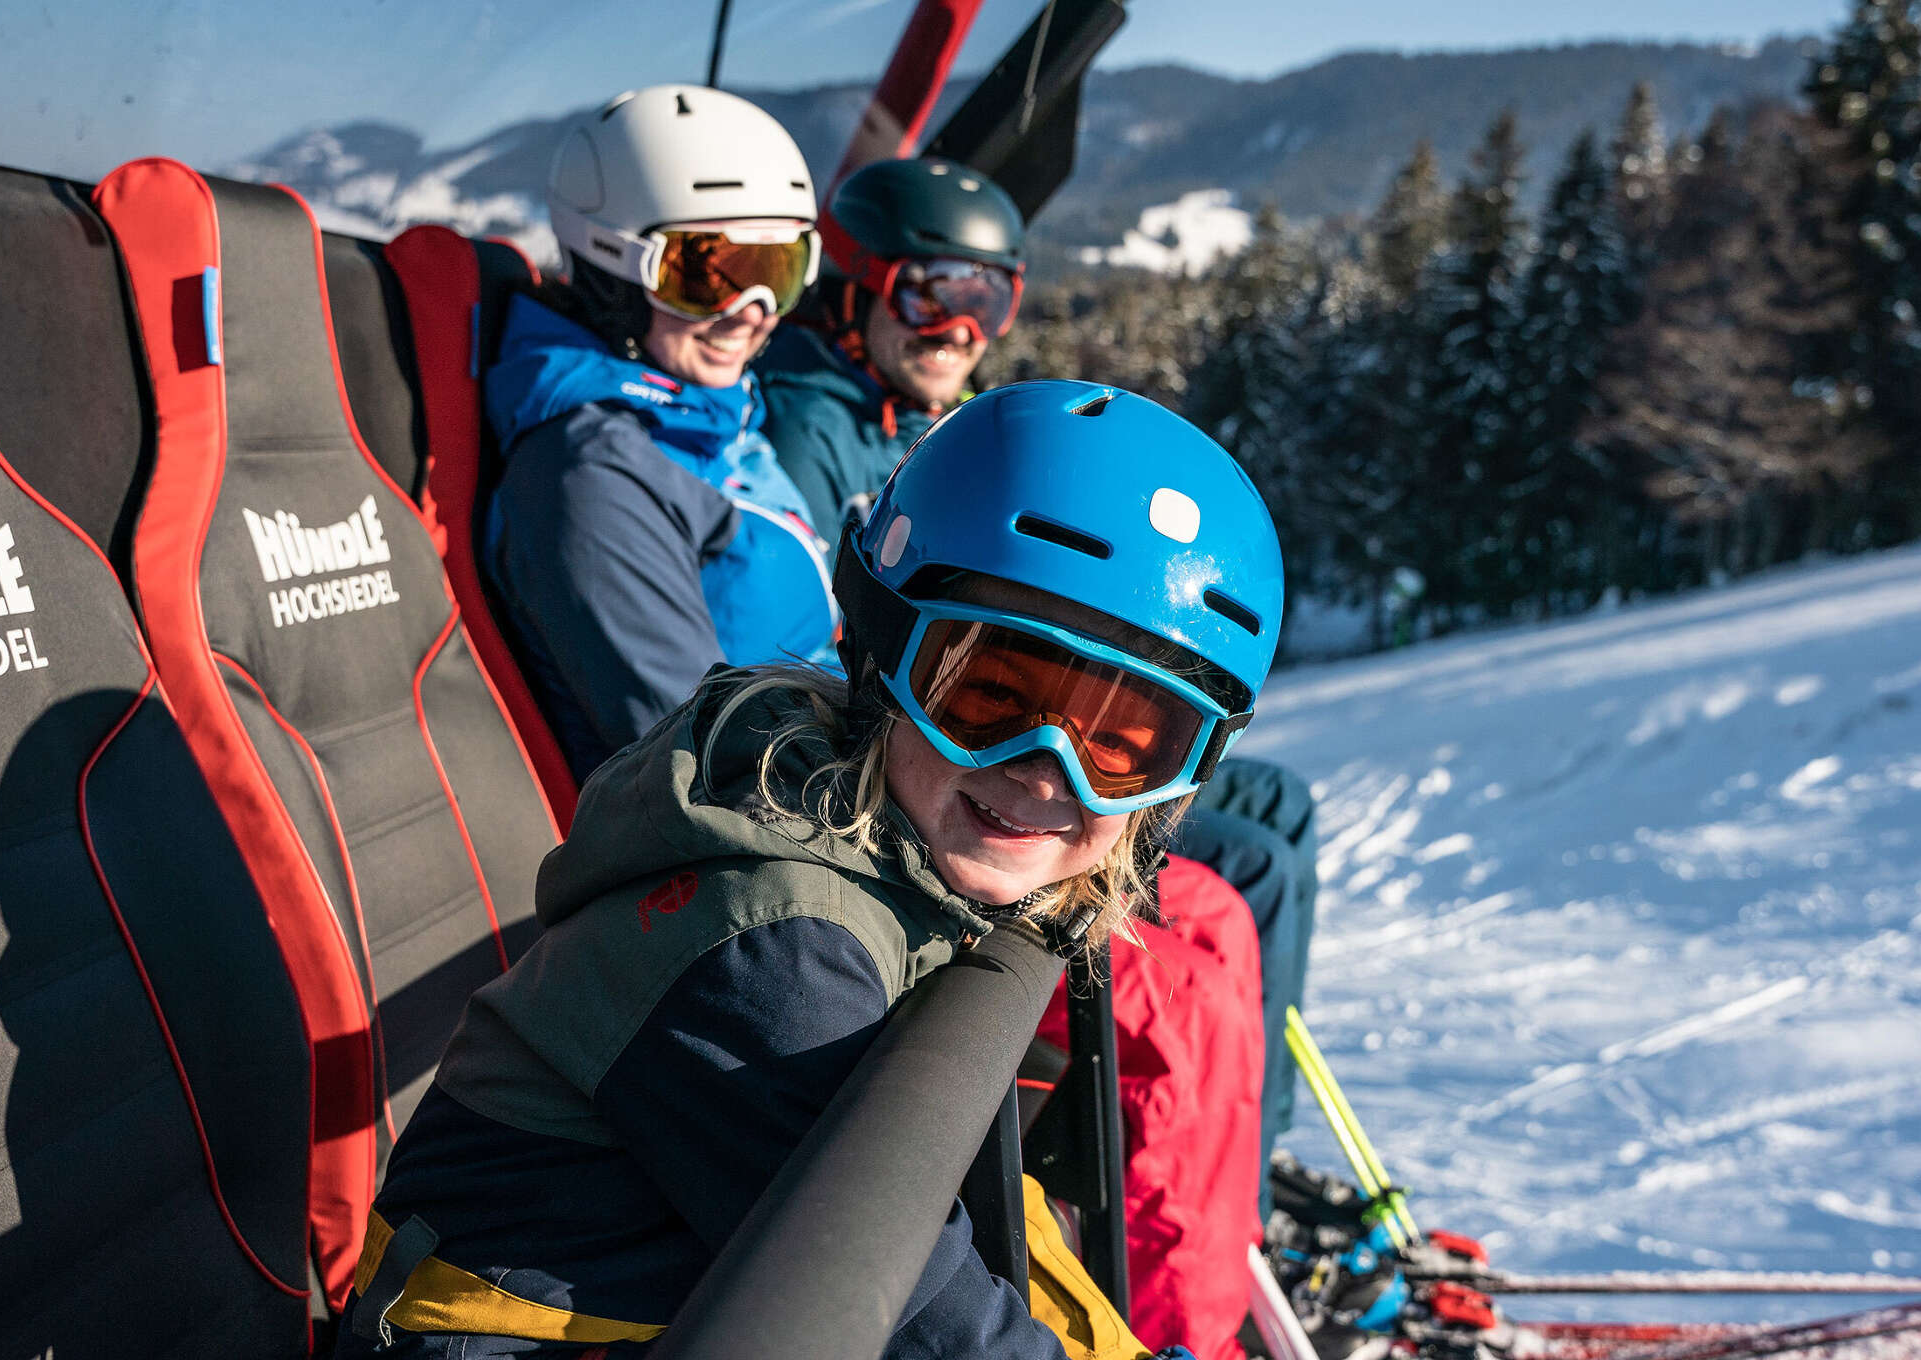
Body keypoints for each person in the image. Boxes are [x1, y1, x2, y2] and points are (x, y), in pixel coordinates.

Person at [341, 380, 1283, 1358]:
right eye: (989, 693)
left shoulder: (898, 857)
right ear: (880, 653)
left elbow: (962, 1201)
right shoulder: (769, 953)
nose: (1043, 773)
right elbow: (918, 1303)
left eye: (1125, 743)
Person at [753, 155, 1323, 1193]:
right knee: (1245, 881)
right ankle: (1223, 1153)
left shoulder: (949, 412)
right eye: (934, 292)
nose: (961, 327)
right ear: (858, 286)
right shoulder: (823, 428)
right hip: (931, 727)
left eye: (988, 297)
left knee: (1276, 805)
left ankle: (1245, 1148)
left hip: (976, 708)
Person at [480, 84, 838, 780]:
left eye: (777, 271)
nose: (752, 313)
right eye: (706, 275)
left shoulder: (706, 410)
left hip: (827, 758)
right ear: (611, 265)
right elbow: (702, 762)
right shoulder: (592, 476)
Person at [758, 155, 1026, 537]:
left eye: (985, 306)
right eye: (926, 300)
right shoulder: (804, 434)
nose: (959, 332)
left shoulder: (964, 424)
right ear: (854, 297)